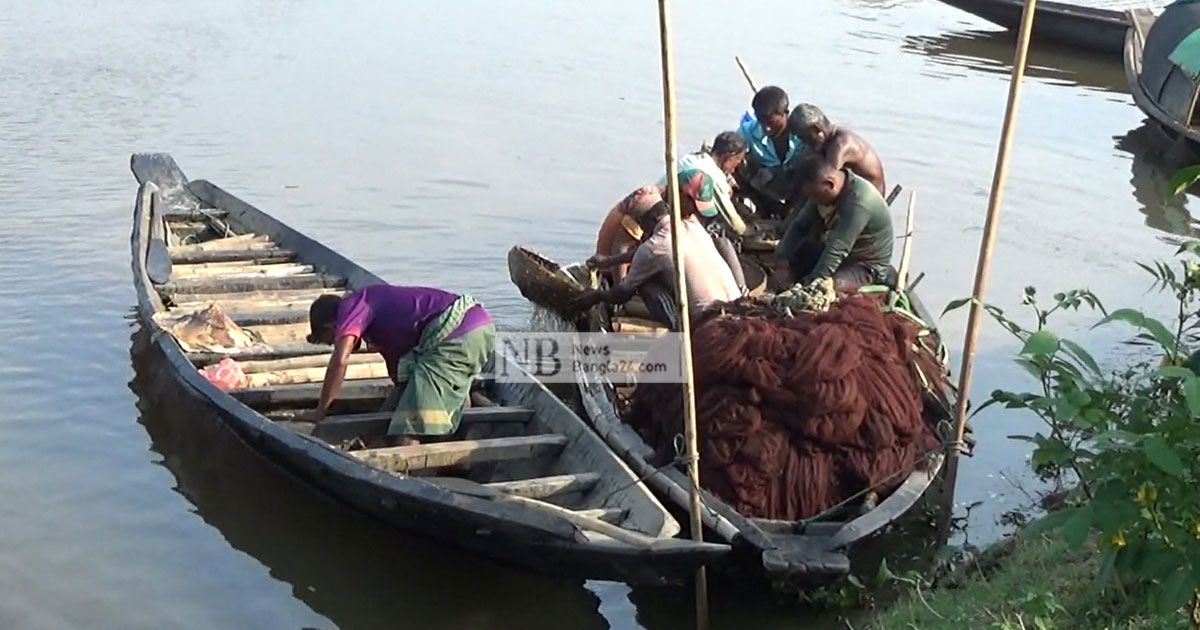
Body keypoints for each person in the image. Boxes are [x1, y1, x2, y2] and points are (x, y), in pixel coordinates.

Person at [301, 285, 495, 446]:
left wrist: (321, 410)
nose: (336, 342)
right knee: (399, 411)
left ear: (332, 327)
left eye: (330, 340)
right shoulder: (378, 324)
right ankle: (456, 435)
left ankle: (411, 473)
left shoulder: (352, 306)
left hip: (456, 334)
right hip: (476, 328)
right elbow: (399, 373)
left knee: (406, 430)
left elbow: (340, 361)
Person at [574, 169, 741, 330]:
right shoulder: (693, 226)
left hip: (709, 326)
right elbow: (651, 252)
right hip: (737, 312)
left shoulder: (656, 243)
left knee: (647, 283)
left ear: (642, 222)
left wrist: (597, 296)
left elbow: (622, 294)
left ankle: (679, 333)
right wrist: (608, 261)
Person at [592, 131, 749, 287]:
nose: (693, 212)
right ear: (680, 194)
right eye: (692, 206)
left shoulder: (681, 191)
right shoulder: (647, 203)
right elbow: (620, 248)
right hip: (613, 266)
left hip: (642, 256)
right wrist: (622, 288)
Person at [776, 156, 894, 292]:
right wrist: (782, 263)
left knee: (831, 287)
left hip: (865, 266)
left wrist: (811, 286)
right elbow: (800, 226)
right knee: (797, 255)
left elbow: (838, 248)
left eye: (815, 196)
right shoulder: (820, 192)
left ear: (829, 184)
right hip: (836, 253)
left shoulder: (860, 201)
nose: (813, 201)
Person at [735, 86, 806, 216]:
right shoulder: (747, 131)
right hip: (765, 184)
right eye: (762, 122)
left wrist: (781, 170)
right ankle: (765, 210)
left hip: (797, 182)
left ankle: (795, 212)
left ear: (786, 113)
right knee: (738, 164)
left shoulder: (802, 132)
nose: (767, 129)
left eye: (772, 123)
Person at [789, 103, 887, 196]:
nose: (805, 142)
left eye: (805, 137)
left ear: (817, 129)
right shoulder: (823, 141)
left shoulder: (840, 145)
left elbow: (828, 180)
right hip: (851, 191)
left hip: (868, 196)